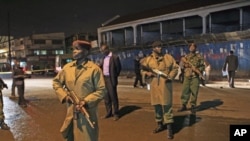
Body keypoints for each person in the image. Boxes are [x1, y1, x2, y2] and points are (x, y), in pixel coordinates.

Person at [52, 40, 106, 141]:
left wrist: (86, 101)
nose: (74, 51)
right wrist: (64, 96)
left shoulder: (94, 69)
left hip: (86, 113)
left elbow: (102, 90)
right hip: (71, 114)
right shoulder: (67, 68)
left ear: (85, 52)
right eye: (73, 49)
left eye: (77, 49)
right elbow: (56, 82)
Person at [140, 41, 179, 139]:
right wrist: (146, 74)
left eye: (160, 46)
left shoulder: (168, 57)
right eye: (157, 47)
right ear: (153, 48)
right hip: (154, 85)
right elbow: (142, 70)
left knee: (167, 105)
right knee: (156, 105)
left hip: (165, 84)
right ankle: (160, 124)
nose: (160, 48)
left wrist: (170, 76)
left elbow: (175, 68)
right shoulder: (148, 60)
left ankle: (169, 128)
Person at [178, 43, 205, 114]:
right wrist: (185, 65)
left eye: (193, 47)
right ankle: (184, 105)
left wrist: (197, 70)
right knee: (185, 91)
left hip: (195, 77)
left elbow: (202, 66)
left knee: (194, 92)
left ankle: (193, 106)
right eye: (190, 46)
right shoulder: (186, 56)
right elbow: (181, 65)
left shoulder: (199, 57)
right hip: (187, 76)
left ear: (195, 48)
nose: (192, 48)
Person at [99, 43, 122, 121]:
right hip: (104, 79)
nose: (102, 52)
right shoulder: (104, 58)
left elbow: (119, 68)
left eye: (103, 50)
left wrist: (114, 76)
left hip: (111, 79)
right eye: (101, 51)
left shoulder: (115, 57)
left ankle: (116, 113)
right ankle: (108, 113)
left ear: (107, 49)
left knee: (113, 97)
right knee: (106, 97)